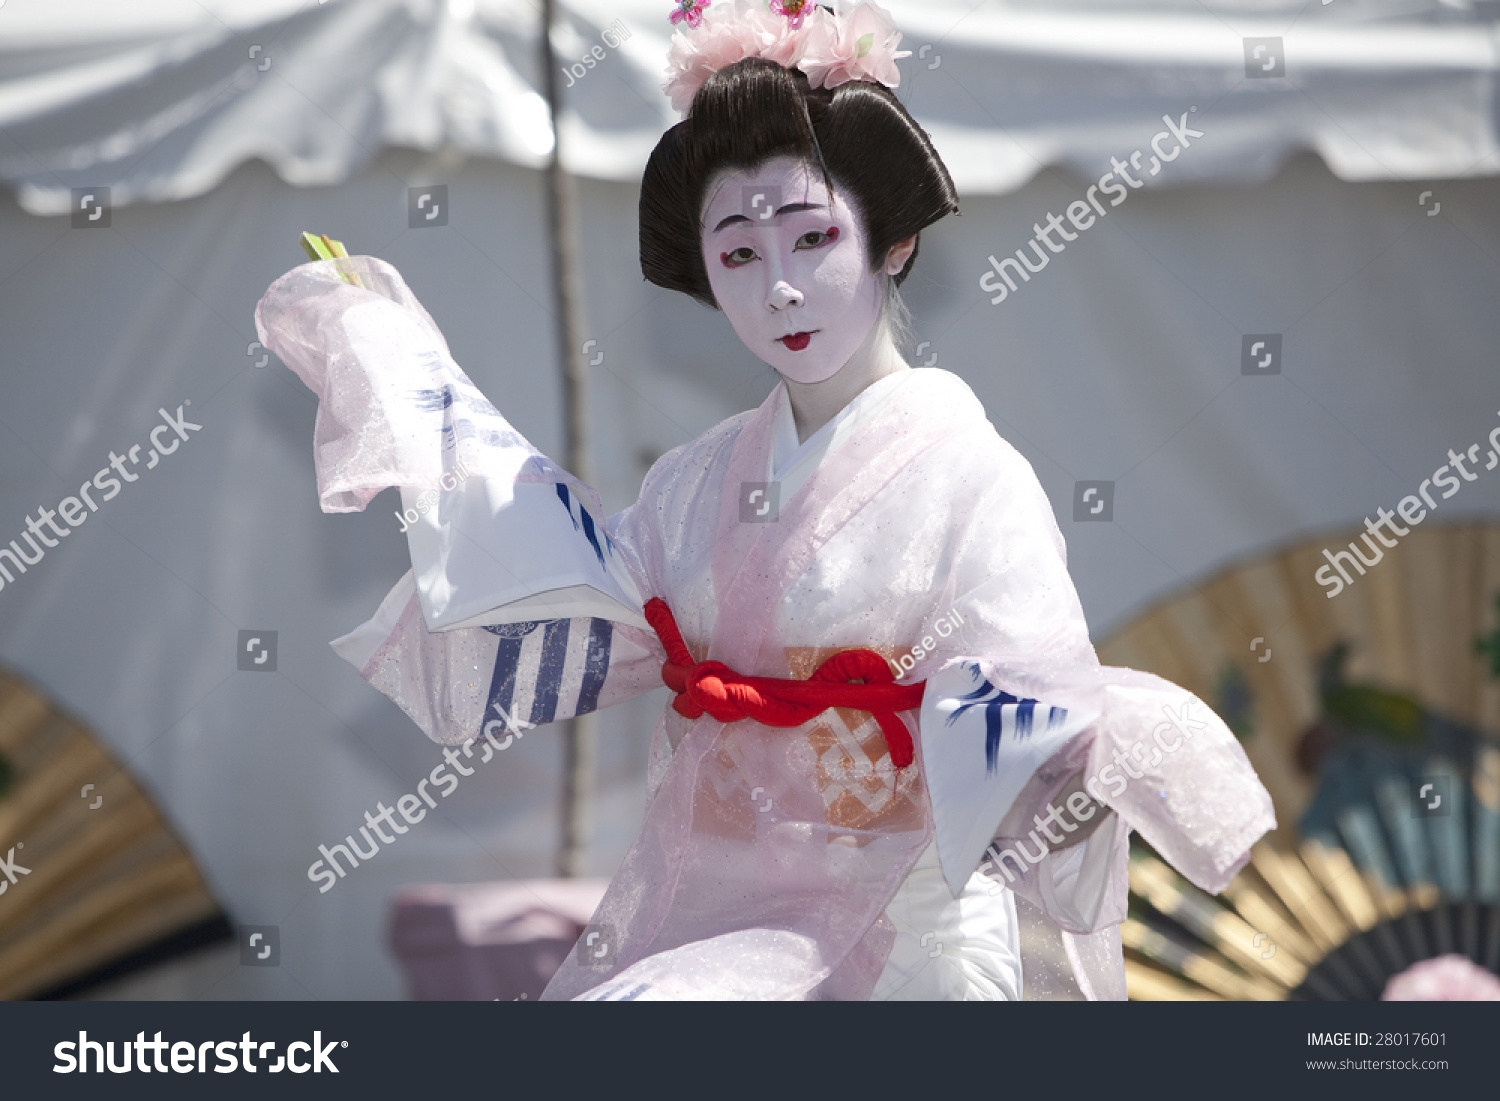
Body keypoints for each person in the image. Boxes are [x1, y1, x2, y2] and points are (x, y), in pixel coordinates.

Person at [255, 0, 1273, 1000]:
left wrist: (1079, 751)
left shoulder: (973, 475)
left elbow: (1025, 682)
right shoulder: (692, 484)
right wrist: (402, 373)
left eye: (812, 238)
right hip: (722, 912)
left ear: (893, 242)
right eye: (738, 253)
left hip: (913, 925)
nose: (777, 287)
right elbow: (568, 582)